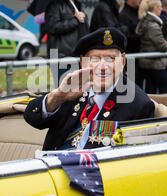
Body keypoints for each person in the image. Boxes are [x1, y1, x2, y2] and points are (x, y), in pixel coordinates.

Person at [24, 27, 156, 151]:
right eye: (95, 58)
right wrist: (58, 97)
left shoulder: (138, 104)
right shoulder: (74, 87)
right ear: (83, 62)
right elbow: (32, 118)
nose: (103, 67)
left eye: (110, 58)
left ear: (123, 62)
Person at [45, 0, 89, 85]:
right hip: (61, 57)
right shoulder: (54, 6)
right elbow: (52, 27)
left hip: (78, 56)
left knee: (78, 91)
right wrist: (75, 20)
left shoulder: (79, 6)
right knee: (63, 91)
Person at [136, 0, 167, 94]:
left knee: (151, 91)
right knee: (166, 91)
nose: (161, 9)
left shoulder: (145, 22)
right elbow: (162, 46)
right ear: (155, 7)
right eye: (160, 6)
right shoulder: (153, 25)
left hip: (148, 62)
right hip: (156, 63)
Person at [119, 0, 143, 87]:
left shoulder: (139, 13)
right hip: (132, 57)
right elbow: (127, 38)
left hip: (140, 57)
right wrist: (141, 35)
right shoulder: (124, 15)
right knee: (134, 86)